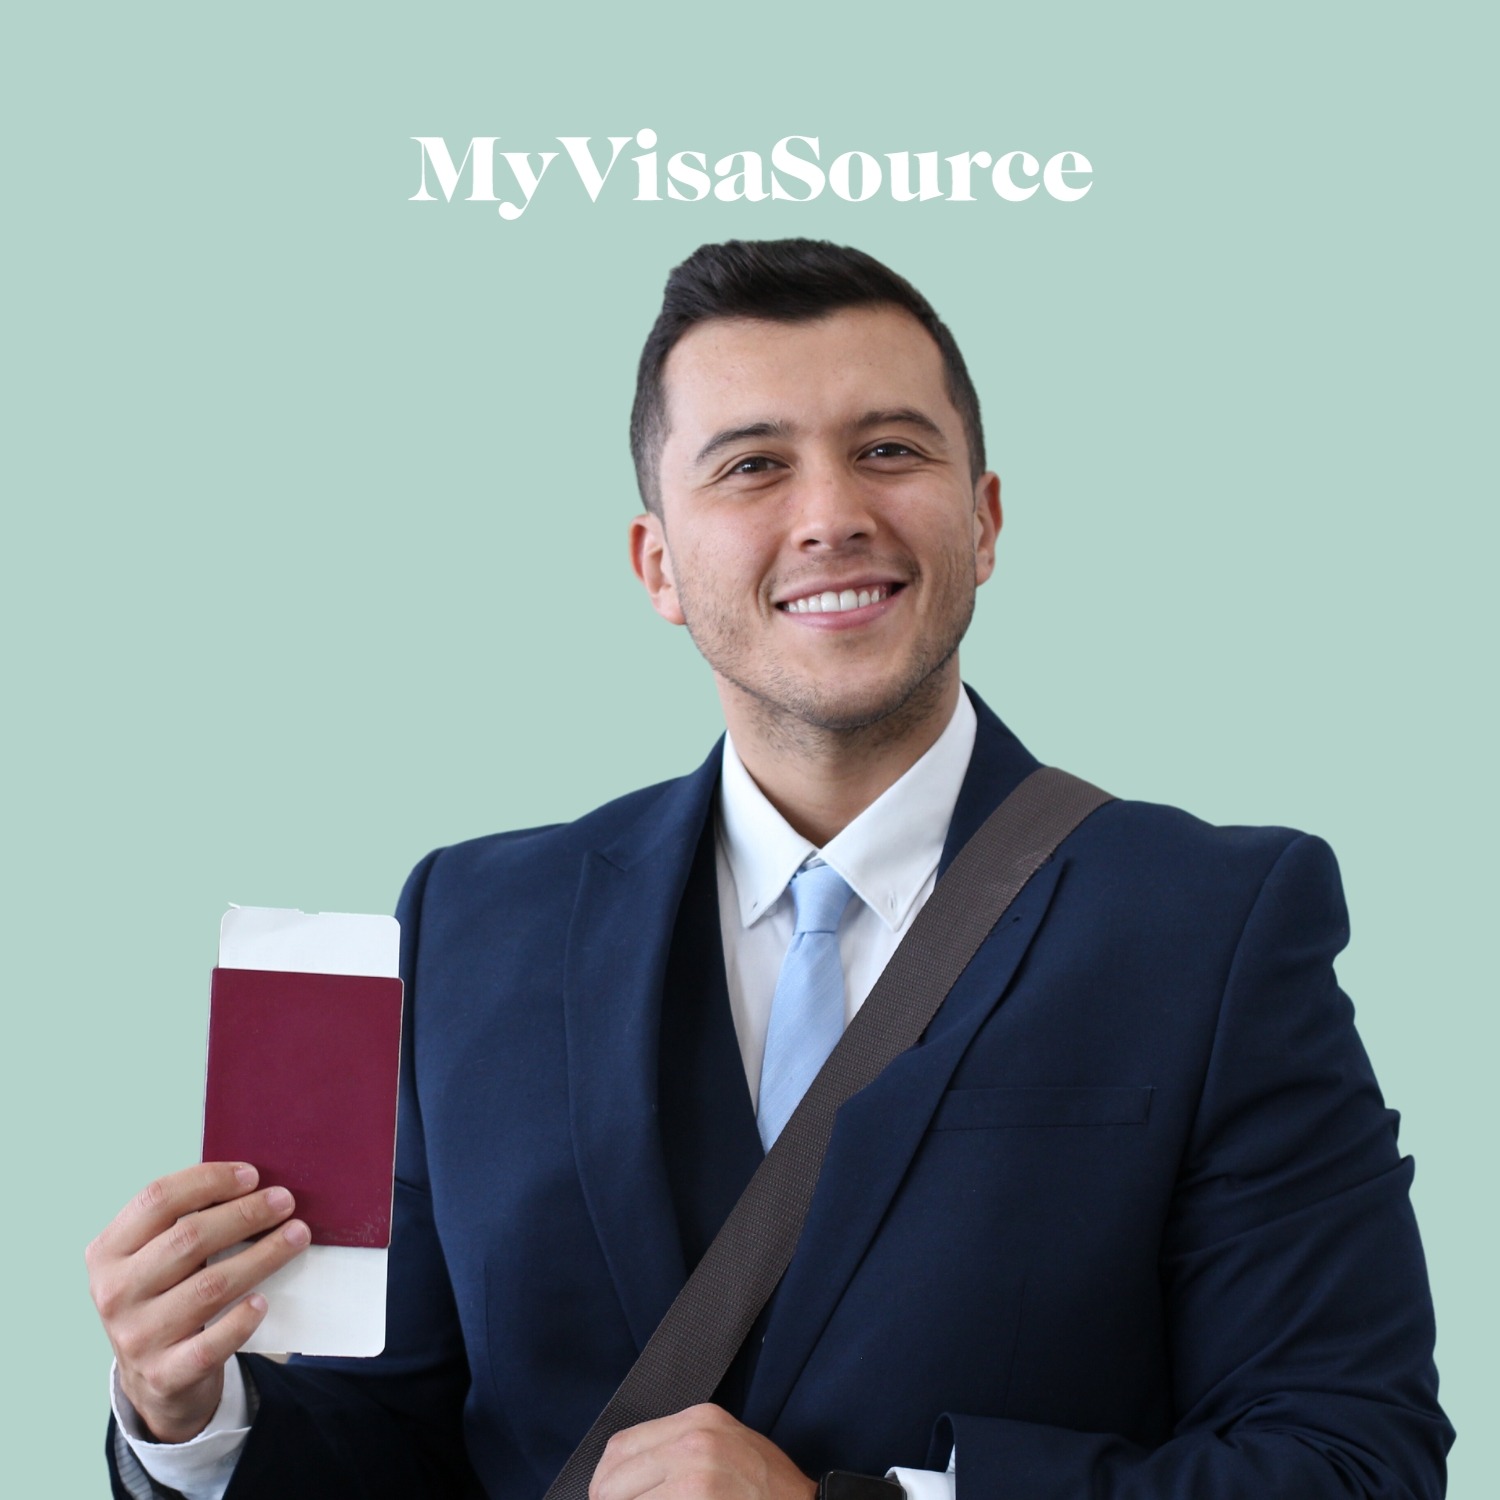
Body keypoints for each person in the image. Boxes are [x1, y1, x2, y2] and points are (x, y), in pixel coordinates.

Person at [90, 238, 1453, 1500]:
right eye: (750, 466)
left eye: (890, 450)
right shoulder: (473, 924)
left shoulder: (1213, 923)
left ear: (983, 521)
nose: (831, 515)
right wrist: (191, 1412)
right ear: (658, 564)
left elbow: (1351, 1457)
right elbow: (399, 1443)